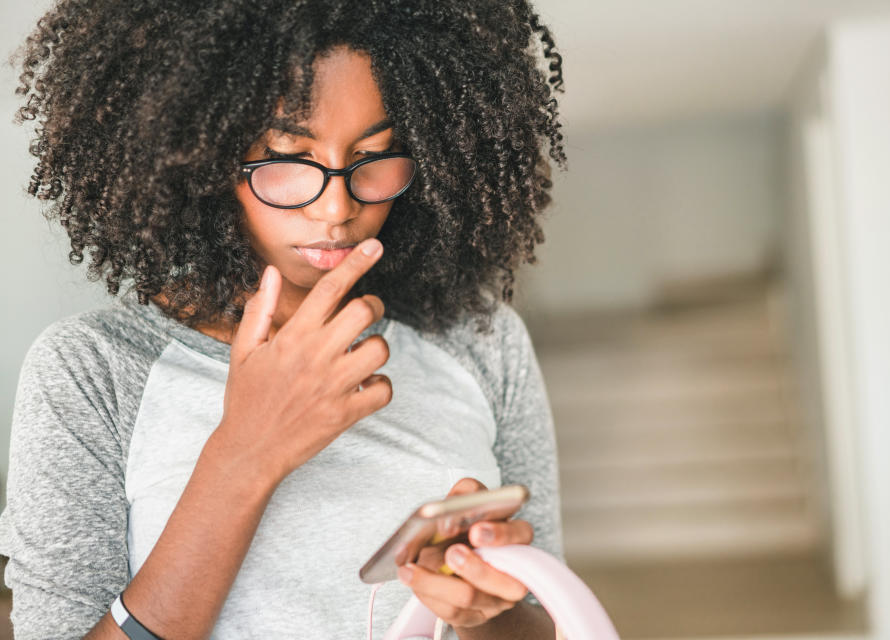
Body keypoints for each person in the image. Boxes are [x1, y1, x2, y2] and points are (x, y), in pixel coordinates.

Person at [0, 1, 567, 638]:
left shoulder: (480, 341)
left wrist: (485, 613)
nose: (336, 206)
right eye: (288, 155)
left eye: (376, 155)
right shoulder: (93, 370)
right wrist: (244, 456)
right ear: (200, 155)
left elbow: (549, 620)